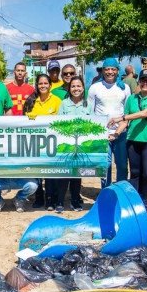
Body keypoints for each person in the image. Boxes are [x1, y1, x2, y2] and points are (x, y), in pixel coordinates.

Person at [116, 69, 147, 217]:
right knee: (135, 173)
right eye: (143, 80)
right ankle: (135, 203)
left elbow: (145, 114)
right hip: (132, 141)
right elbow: (127, 122)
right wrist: (116, 132)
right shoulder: (131, 99)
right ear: (139, 81)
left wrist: (122, 117)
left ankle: (145, 202)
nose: (145, 83)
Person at [88, 57, 129, 187]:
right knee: (105, 166)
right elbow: (90, 112)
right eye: (107, 69)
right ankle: (106, 191)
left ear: (117, 70)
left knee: (122, 165)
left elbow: (128, 113)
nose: (110, 72)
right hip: (102, 134)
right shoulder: (95, 88)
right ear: (103, 71)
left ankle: (121, 190)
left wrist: (119, 131)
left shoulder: (125, 88)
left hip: (121, 133)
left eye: (113, 69)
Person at [25, 74, 62, 209]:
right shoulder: (31, 101)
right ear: (37, 85)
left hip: (52, 142)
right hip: (35, 142)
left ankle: (51, 200)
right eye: (40, 84)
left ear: (50, 85)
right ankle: (38, 198)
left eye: (46, 83)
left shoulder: (57, 101)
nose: (43, 86)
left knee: (51, 172)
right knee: (37, 172)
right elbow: (25, 122)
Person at [56, 75, 92, 211]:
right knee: (64, 174)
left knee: (77, 175)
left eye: (78, 86)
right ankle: (60, 202)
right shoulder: (64, 104)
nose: (76, 88)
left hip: (81, 145)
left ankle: (75, 200)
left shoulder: (88, 104)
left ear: (83, 88)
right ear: (69, 89)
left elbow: (93, 123)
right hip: (67, 145)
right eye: (73, 86)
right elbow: (58, 124)